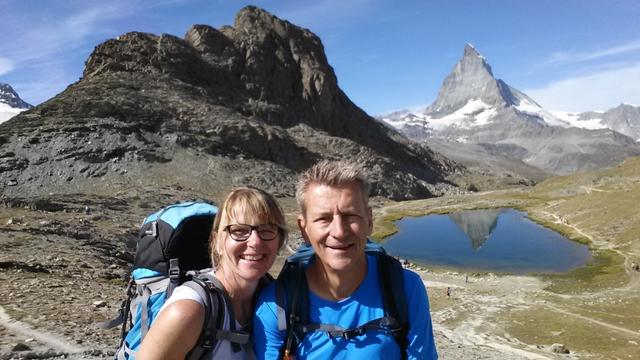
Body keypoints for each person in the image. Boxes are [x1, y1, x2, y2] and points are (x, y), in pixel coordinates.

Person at [253, 160, 438, 359]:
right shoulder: (276, 305)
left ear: (369, 220)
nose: (339, 232)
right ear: (304, 228)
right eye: (324, 218)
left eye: (350, 216)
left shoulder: (405, 288)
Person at [138, 187, 288, 360]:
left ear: (279, 240)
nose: (255, 241)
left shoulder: (277, 299)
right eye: (238, 231)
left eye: (267, 230)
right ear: (217, 242)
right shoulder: (187, 311)